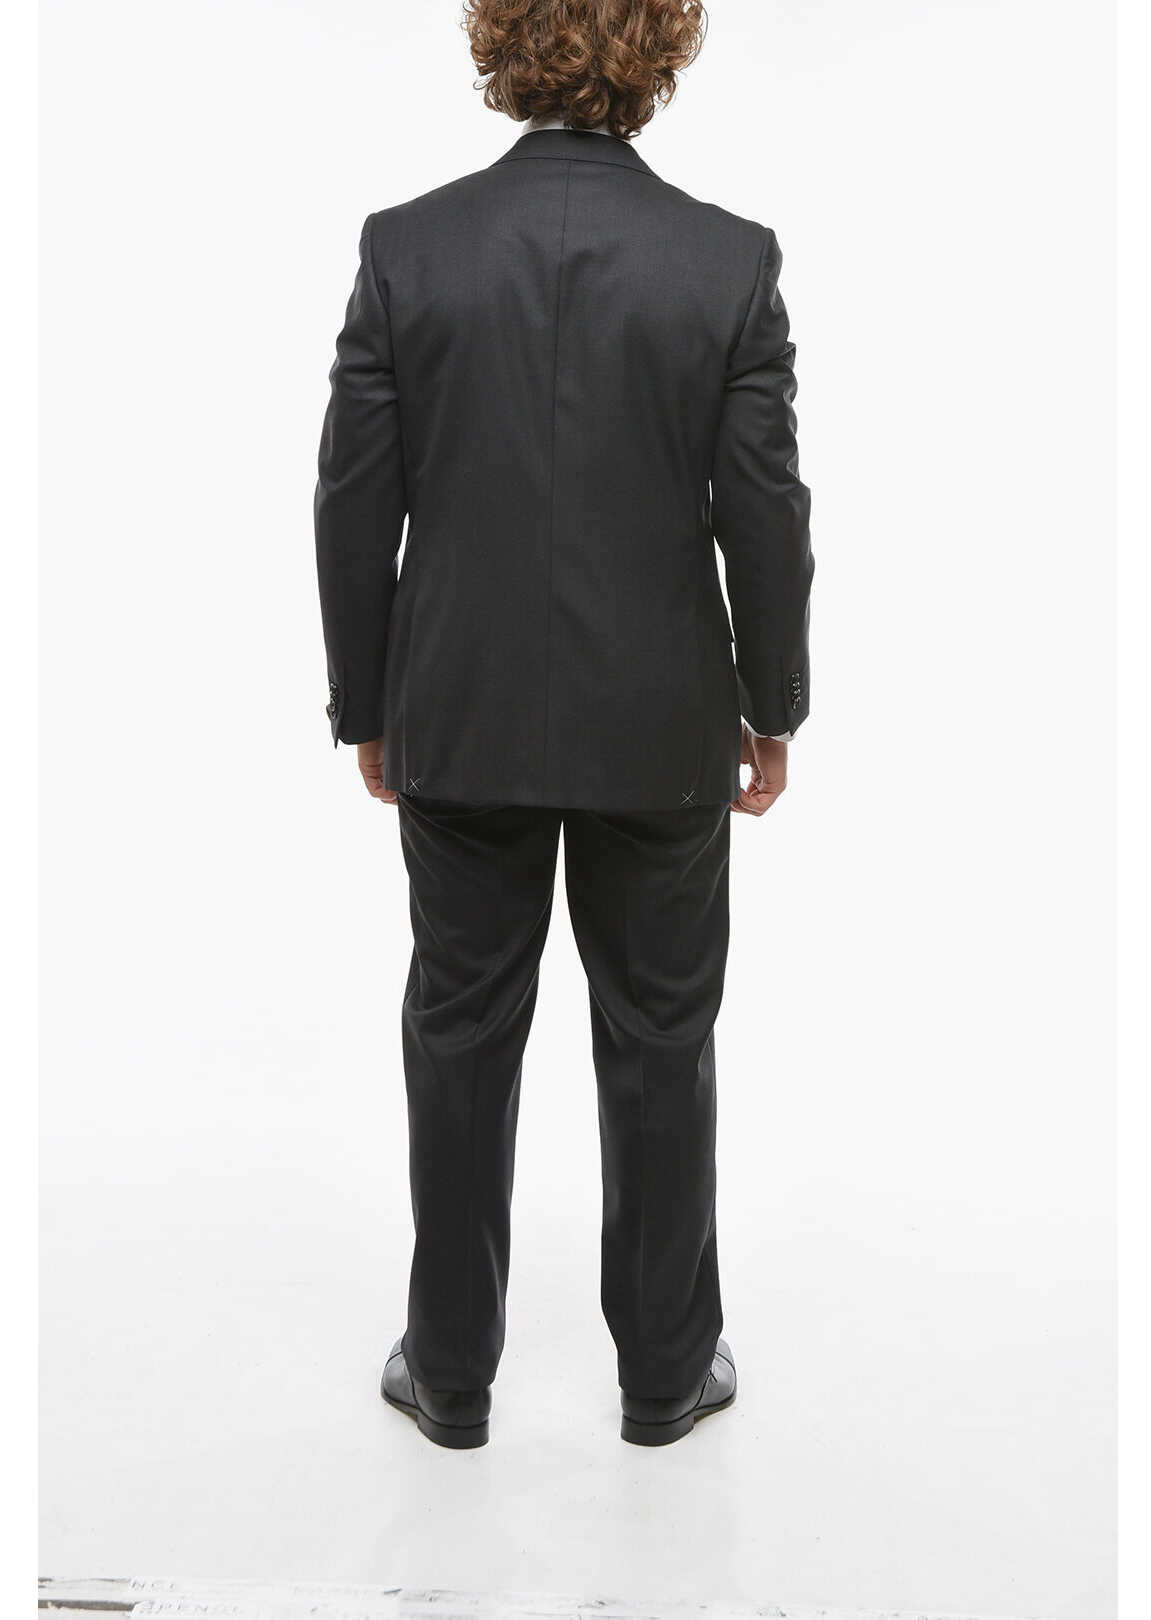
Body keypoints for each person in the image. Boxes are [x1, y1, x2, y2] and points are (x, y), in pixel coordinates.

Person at [314, 0, 813, 1451]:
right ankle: (664, 1375)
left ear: (501, 46)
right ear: (661, 53)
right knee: (660, 1034)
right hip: (661, 724)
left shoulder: (408, 248)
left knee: (459, 1029)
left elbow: (352, 499)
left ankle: (449, 1374)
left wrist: (369, 702)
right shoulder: (725, 261)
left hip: (459, 710)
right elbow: (764, 511)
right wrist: (772, 702)